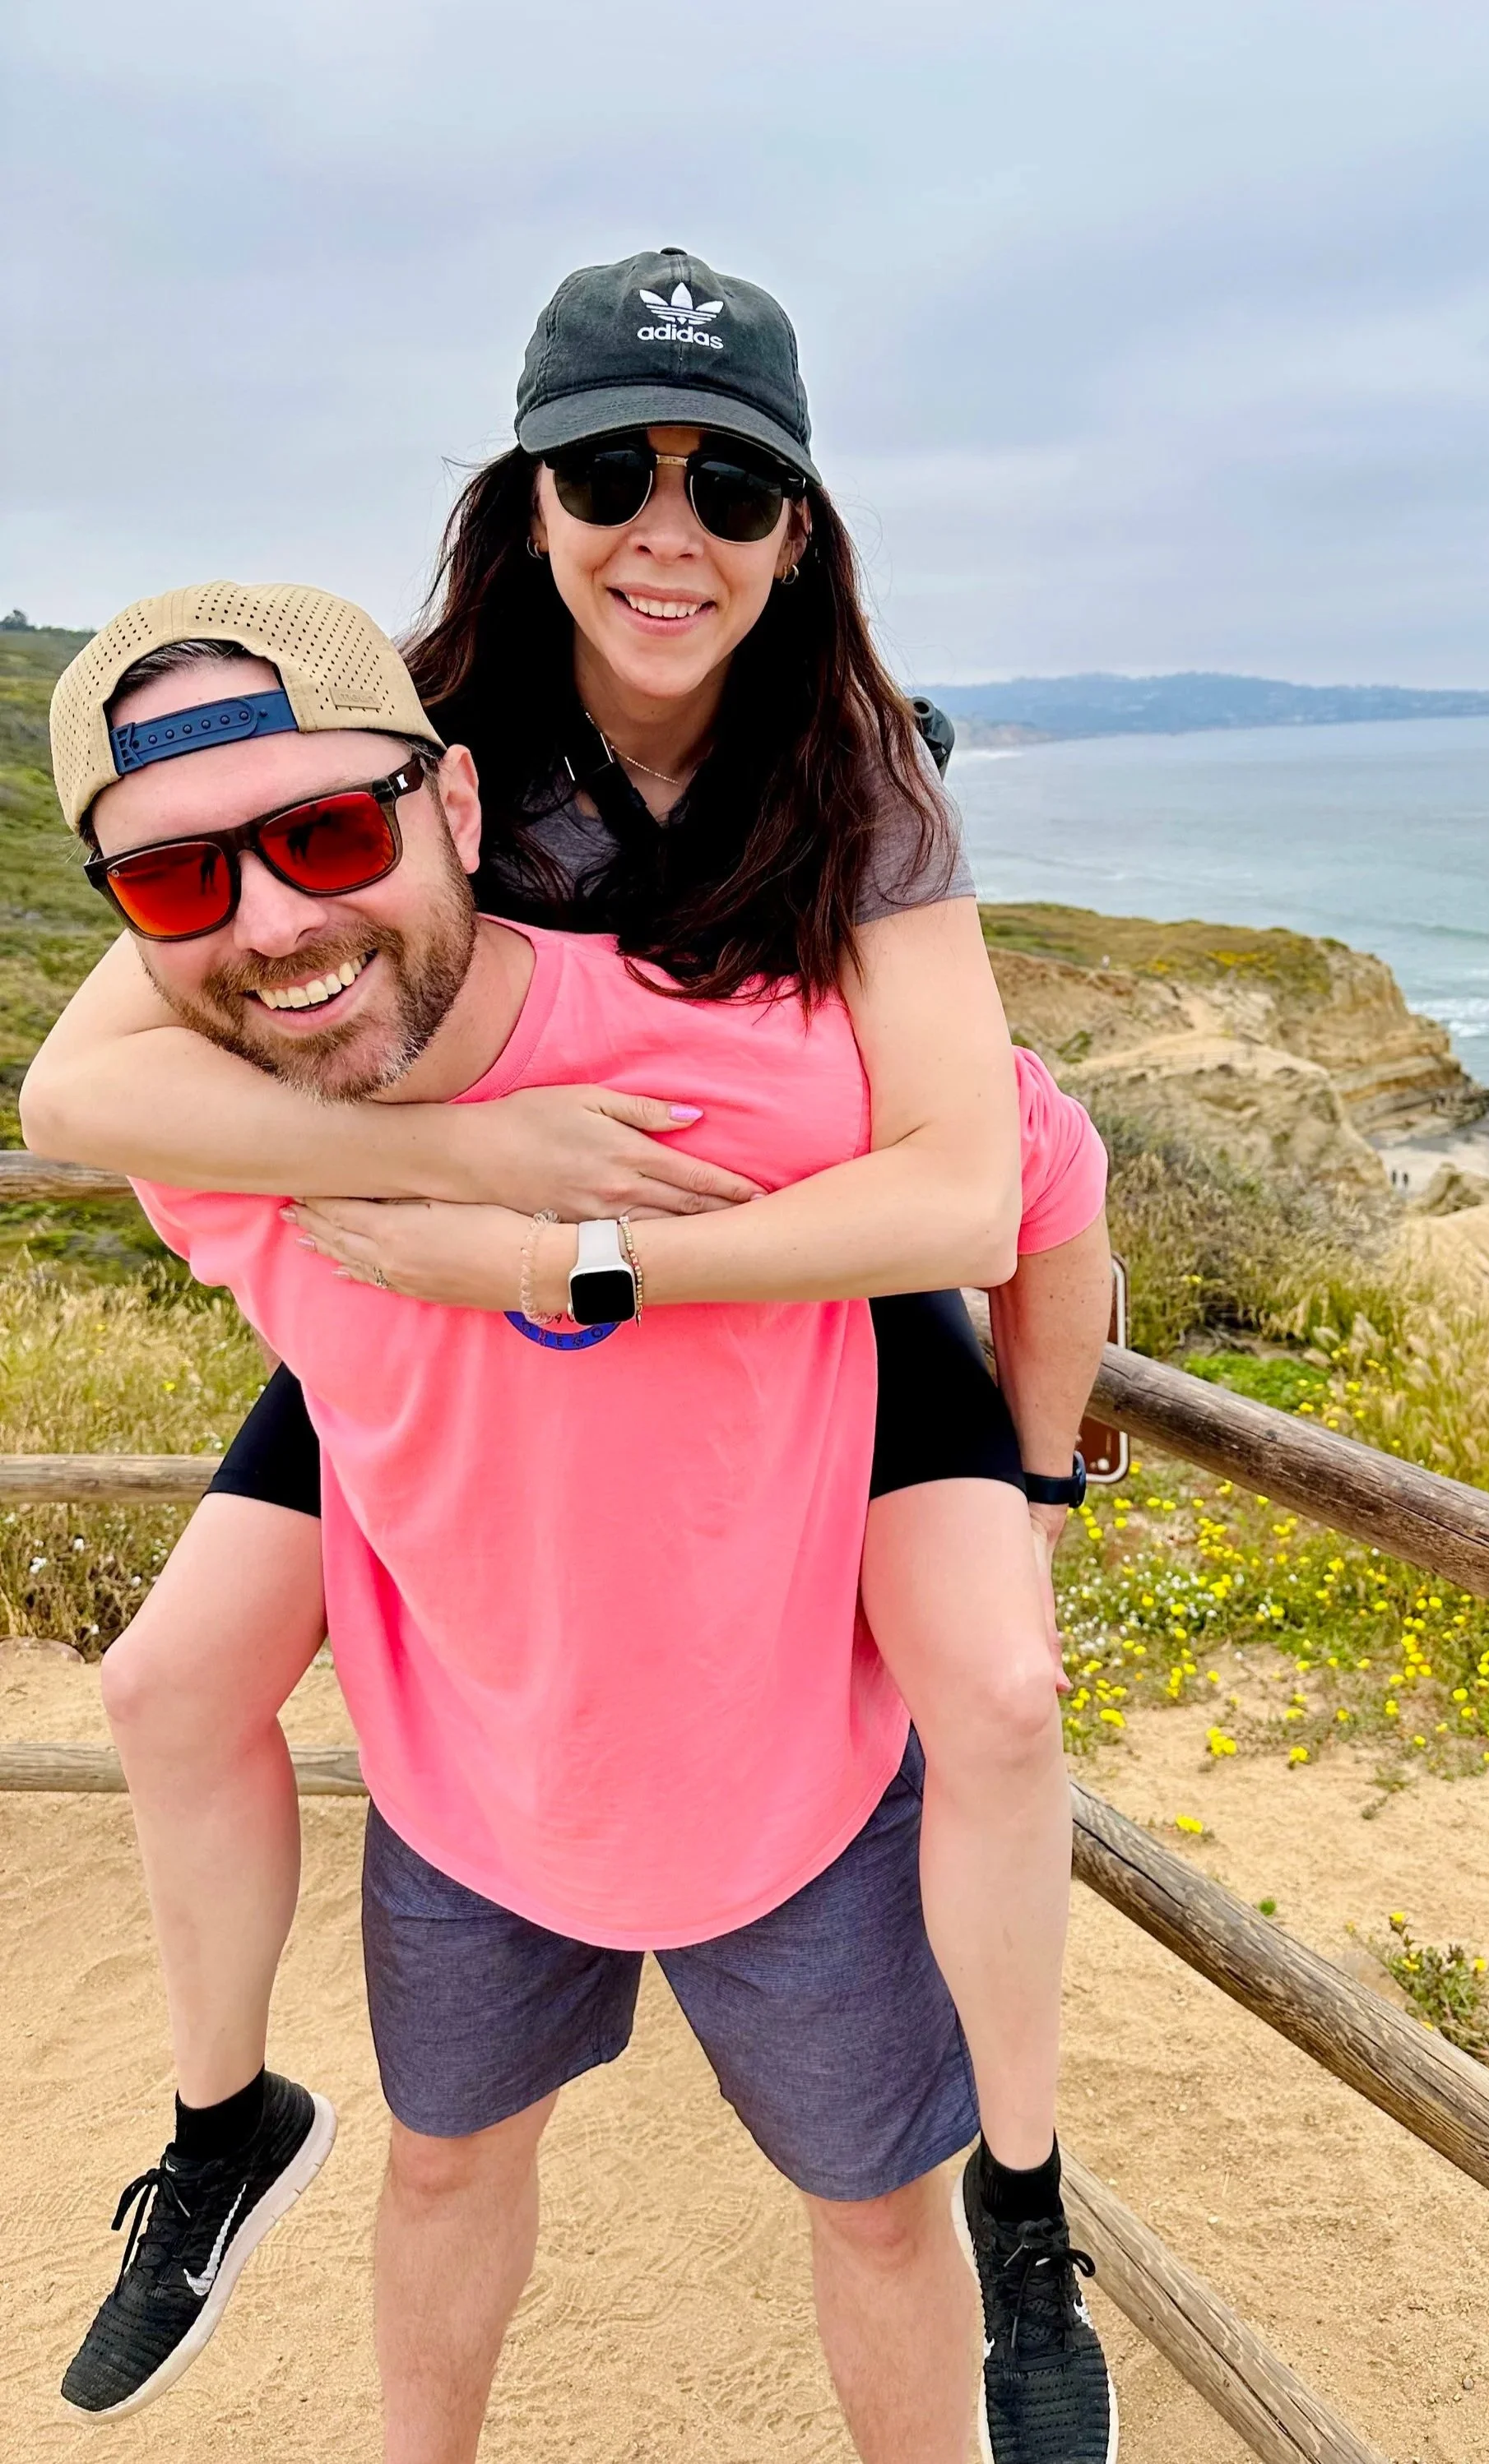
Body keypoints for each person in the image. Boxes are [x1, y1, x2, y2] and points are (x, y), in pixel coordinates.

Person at [28, 252, 1116, 2464]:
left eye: (729, 490)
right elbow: (89, 1082)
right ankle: (223, 2114)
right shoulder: (405, 752)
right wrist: (485, 1157)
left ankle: (1023, 2194)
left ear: (794, 534)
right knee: (164, 1679)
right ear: (527, 497)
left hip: (762, 1269)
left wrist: (582, 1241)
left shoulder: (859, 779)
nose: (664, 530)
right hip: (449, 1270)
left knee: (998, 1689)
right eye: (610, 466)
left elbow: (959, 1184)